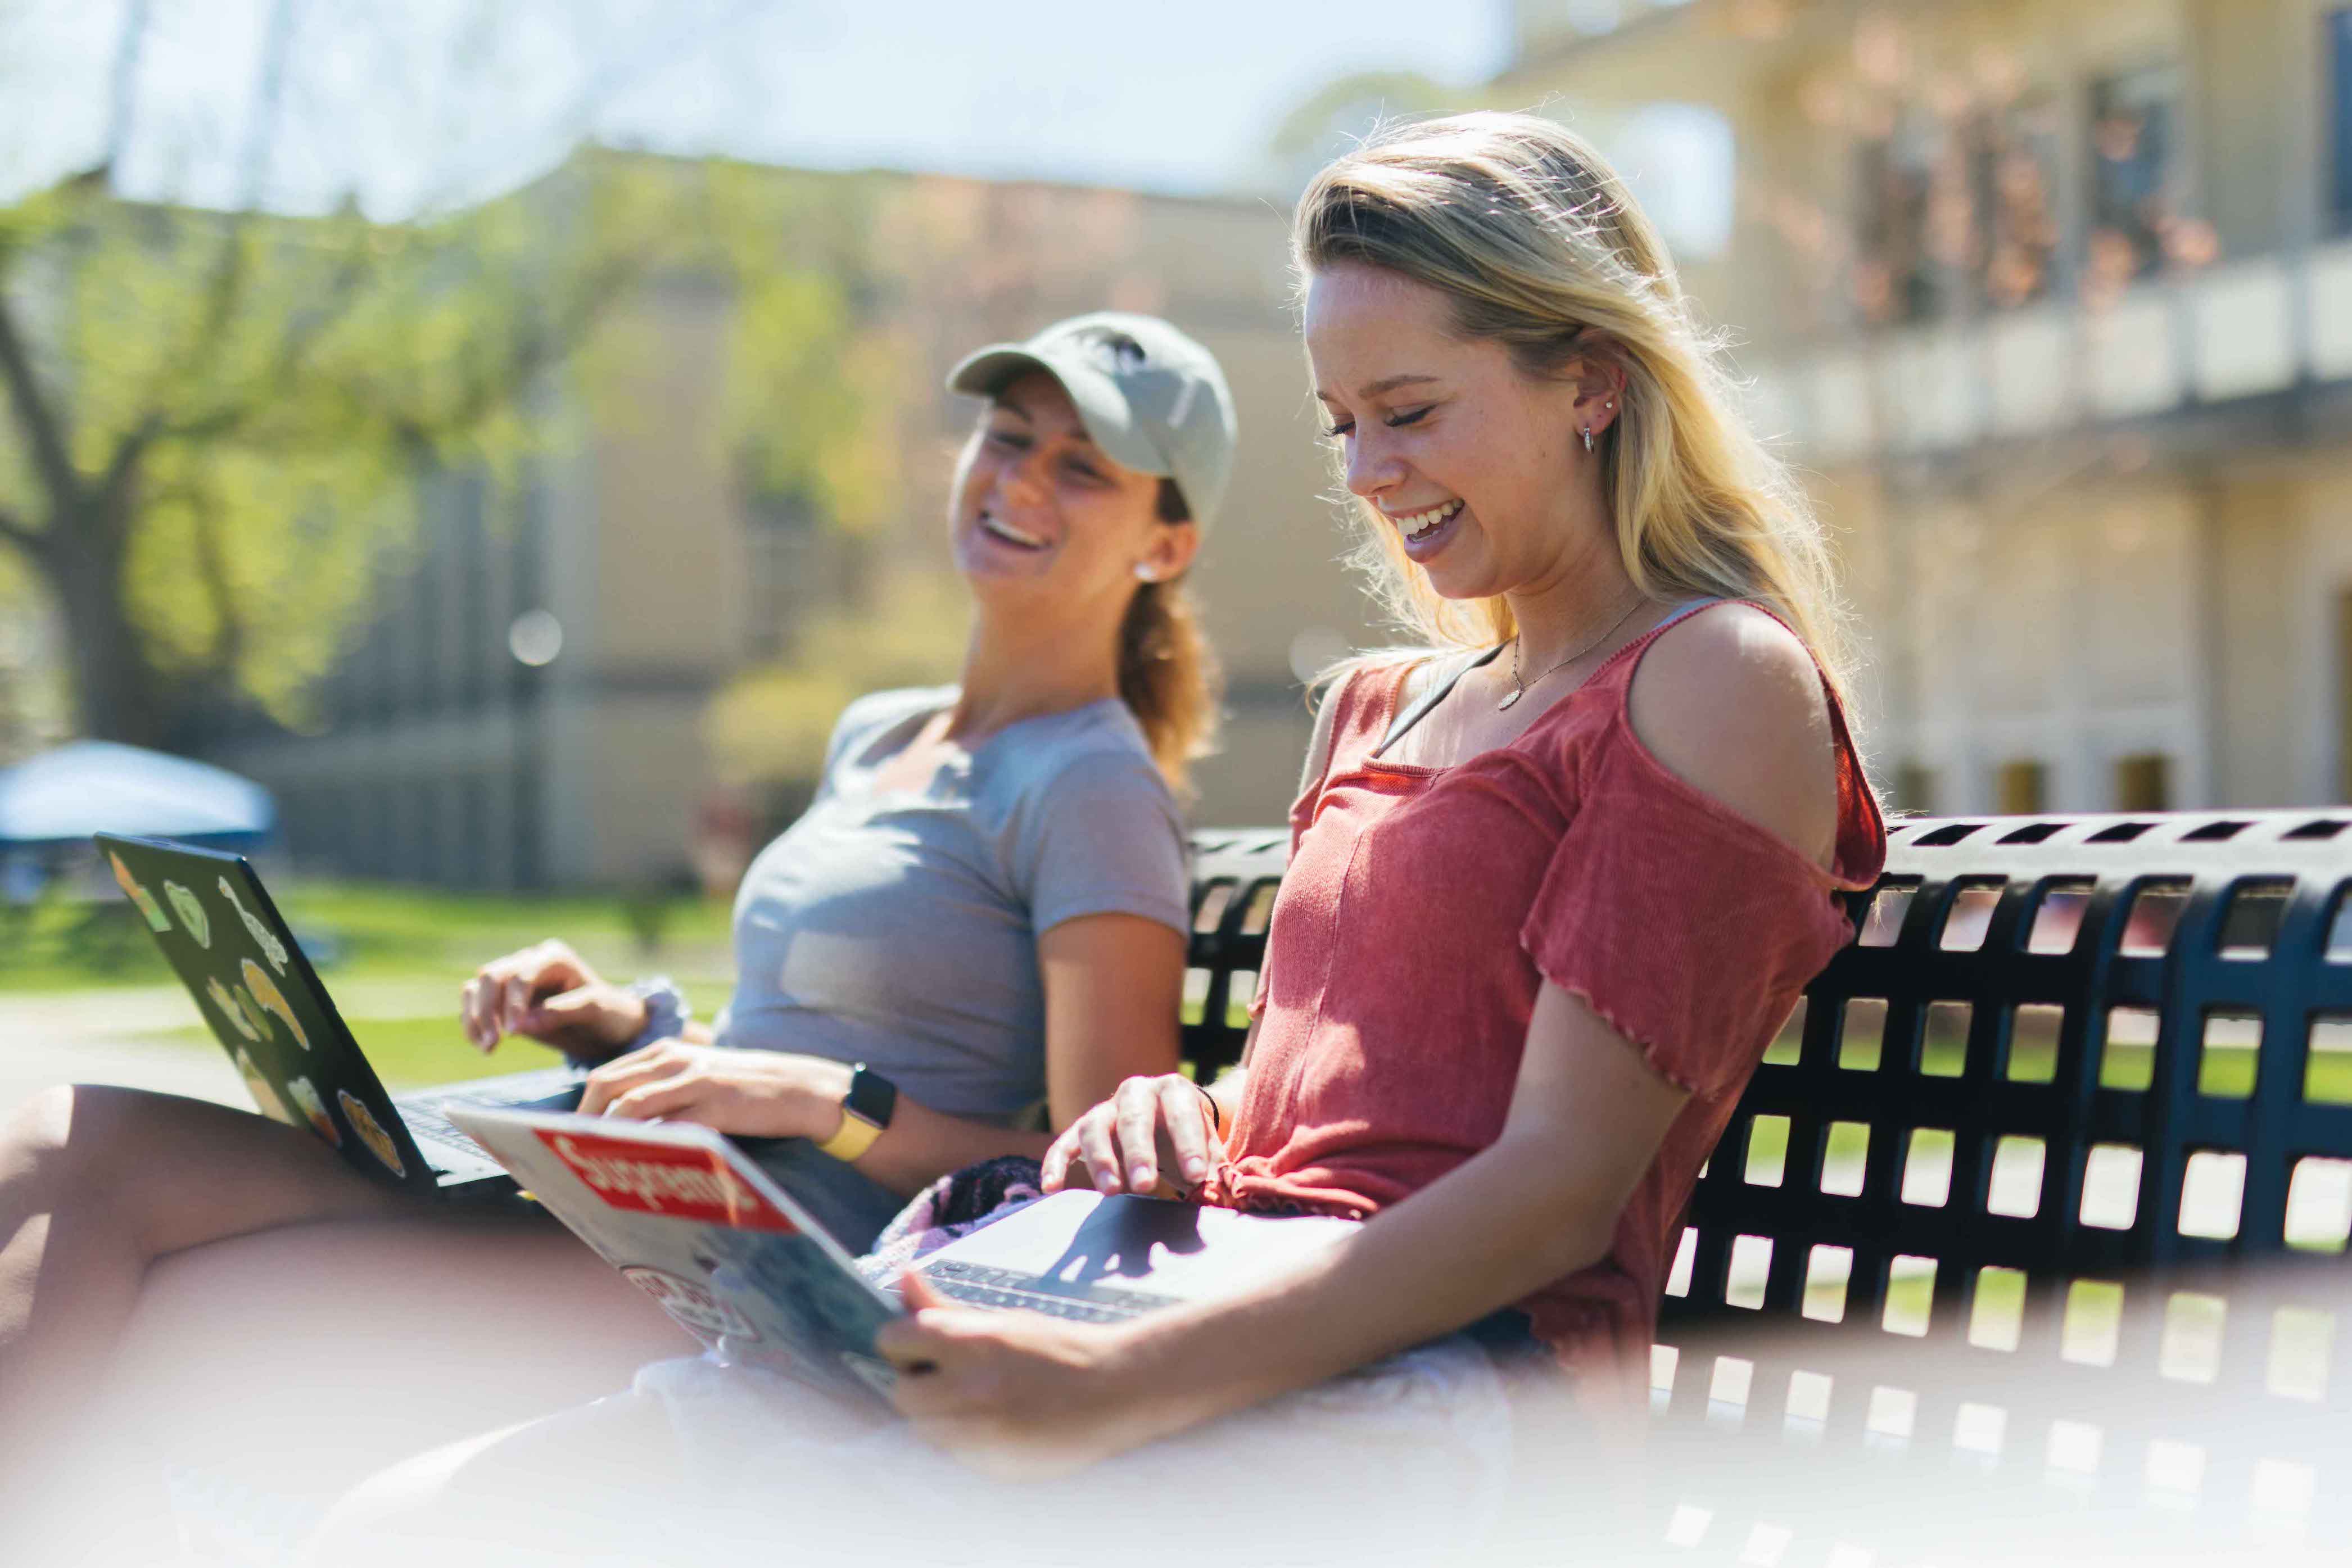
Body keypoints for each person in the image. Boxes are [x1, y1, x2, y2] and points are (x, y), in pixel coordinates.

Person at [313, 111, 1888, 1566]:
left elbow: (1554, 1189)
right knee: (420, 1513)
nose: (1366, 474)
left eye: (1408, 411)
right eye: (1340, 422)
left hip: (1442, 1394)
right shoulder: (1386, 703)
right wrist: (1177, 1111)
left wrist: (1123, 1376)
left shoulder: (1710, 676)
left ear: (1592, 379)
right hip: (1203, 1293)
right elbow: (1361, 1087)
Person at [0, 311, 1240, 1534]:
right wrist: (621, 1029)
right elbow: (787, 1025)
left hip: (761, 1278)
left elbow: (1089, 1166)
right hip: (632, 1190)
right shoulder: (879, 731)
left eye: (1082, 467)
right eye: (1009, 436)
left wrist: (830, 1104)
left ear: (1166, 541)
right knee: (60, 1141)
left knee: (151, 1303)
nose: (1020, 477)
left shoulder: (1092, 784)